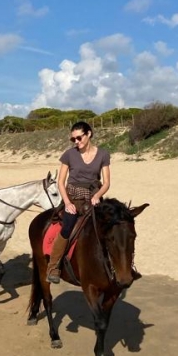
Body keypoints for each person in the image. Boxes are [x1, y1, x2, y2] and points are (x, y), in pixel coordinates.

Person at [46, 120, 110, 283]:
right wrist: (67, 203)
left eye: (79, 138)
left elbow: (107, 182)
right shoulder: (69, 154)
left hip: (93, 196)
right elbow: (61, 182)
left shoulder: (103, 154)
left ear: (89, 134)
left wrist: (97, 196)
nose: (76, 142)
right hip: (73, 196)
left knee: (110, 225)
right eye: (73, 139)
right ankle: (53, 267)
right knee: (67, 227)